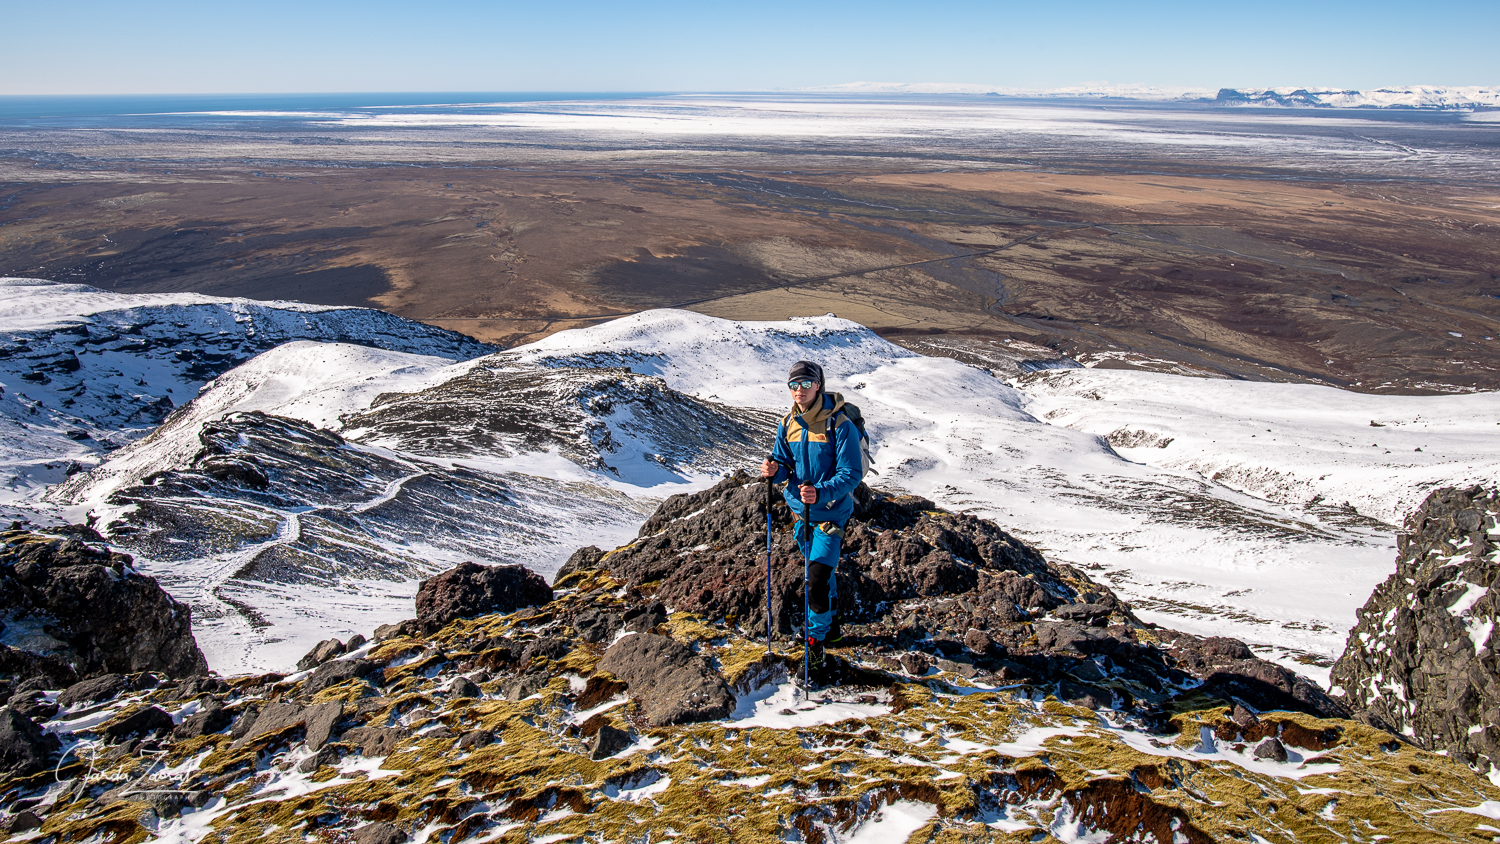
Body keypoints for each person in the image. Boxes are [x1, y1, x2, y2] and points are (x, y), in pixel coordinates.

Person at [760, 360, 863, 668]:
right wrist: (773, 471)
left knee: (816, 580)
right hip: (800, 514)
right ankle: (831, 629)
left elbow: (852, 473)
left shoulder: (839, 424)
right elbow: (783, 465)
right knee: (821, 574)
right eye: (794, 385)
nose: (799, 391)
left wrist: (821, 492)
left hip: (830, 515)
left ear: (819, 385)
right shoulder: (787, 423)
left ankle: (814, 641)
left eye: (805, 384)